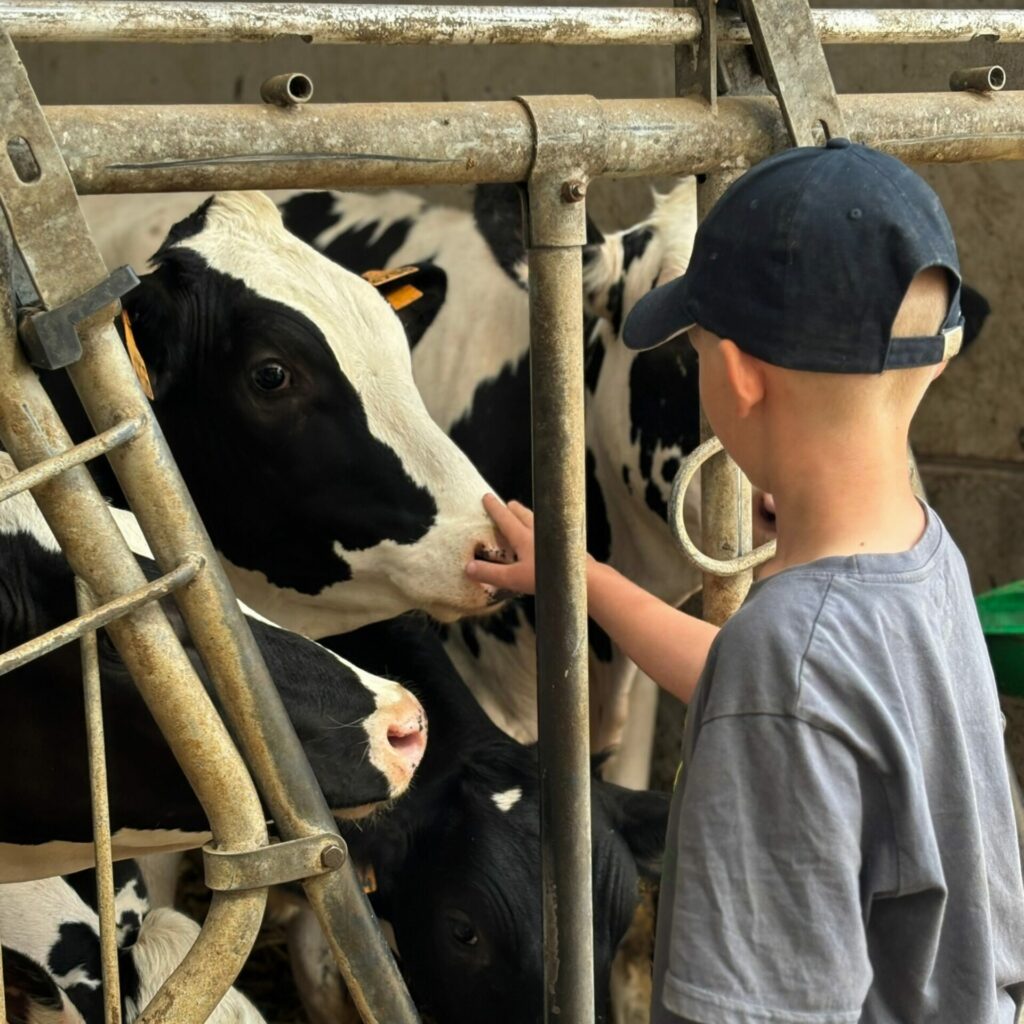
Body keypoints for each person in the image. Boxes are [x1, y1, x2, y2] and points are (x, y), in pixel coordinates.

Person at [465, 139, 1024, 1023]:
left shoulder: (789, 659)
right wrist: (578, 578)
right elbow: (764, 679)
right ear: (940, 357)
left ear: (732, 377)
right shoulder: (926, 559)